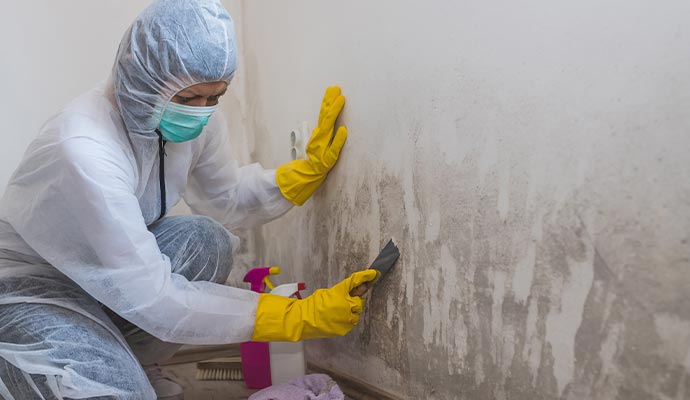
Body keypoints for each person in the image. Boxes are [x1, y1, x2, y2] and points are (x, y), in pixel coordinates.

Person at [0, 0, 377, 398]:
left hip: (109, 281)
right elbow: (155, 298)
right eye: (189, 99)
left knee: (206, 241)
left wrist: (298, 176)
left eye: (215, 96)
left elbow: (225, 198)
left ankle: (135, 363)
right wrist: (293, 315)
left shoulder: (194, 117)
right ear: (143, 78)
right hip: (35, 287)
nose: (202, 112)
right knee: (120, 394)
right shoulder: (84, 148)